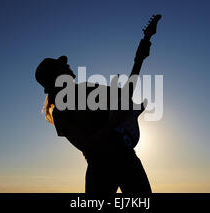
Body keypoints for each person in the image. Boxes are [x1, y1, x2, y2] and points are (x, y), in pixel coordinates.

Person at [35, 39, 152, 194]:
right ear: (55, 76)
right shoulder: (60, 113)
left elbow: (124, 95)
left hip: (128, 159)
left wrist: (139, 60)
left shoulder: (86, 88)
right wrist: (115, 121)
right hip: (101, 169)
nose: (67, 64)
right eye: (61, 65)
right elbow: (86, 145)